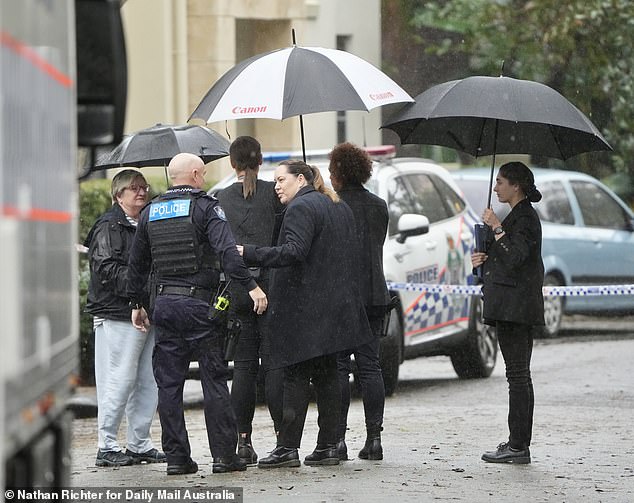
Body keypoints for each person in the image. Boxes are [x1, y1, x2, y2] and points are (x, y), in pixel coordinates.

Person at [126, 152, 268, 476]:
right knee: (214, 381)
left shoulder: (150, 211)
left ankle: (177, 458)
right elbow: (228, 254)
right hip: (200, 307)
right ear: (193, 173)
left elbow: (137, 266)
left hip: (164, 308)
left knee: (169, 385)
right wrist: (252, 287)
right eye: (202, 173)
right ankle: (223, 457)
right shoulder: (206, 207)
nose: (203, 178)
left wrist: (137, 304)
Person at [239, 160, 374, 469]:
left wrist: (250, 252)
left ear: (301, 179)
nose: (275, 186)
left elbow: (294, 251)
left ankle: (287, 448)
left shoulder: (301, 209)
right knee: (327, 376)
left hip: (306, 311)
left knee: (294, 377)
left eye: (281, 180)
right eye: (274, 181)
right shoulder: (336, 205)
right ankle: (328, 445)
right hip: (335, 308)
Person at [84, 169, 165, 467]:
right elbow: (106, 269)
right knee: (118, 379)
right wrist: (138, 293)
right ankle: (106, 445)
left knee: (147, 380)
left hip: (145, 310)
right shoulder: (108, 226)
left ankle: (139, 444)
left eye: (144, 187)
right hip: (117, 314)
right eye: (133, 188)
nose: (141, 192)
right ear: (118, 195)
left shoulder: (148, 222)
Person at [215, 136, 284, 465]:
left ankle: (243, 441)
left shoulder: (221, 198)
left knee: (242, 368)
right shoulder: (275, 194)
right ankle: (283, 439)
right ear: (260, 161)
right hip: (272, 287)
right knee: (273, 366)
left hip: (239, 289)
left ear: (233, 164)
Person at [471, 161, 544, 465]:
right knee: (516, 375)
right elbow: (505, 259)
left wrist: (496, 228)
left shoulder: (525, 218)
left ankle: (518, 445)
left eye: (500, 182)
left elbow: (516, 257)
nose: (496, 187)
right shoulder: (516, 216)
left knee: (517, 375)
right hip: (509, 306)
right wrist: (483, 260)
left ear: (516, 186)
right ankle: (517, 442)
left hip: (518, 309)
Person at [328, 143, 390, 461]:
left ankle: (338, 439)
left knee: (339, 369)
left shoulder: (332, 206)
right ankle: (374, 437)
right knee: (370, 367)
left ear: (338, 172)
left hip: (341, 297)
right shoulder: (379, 205)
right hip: (375, 296)